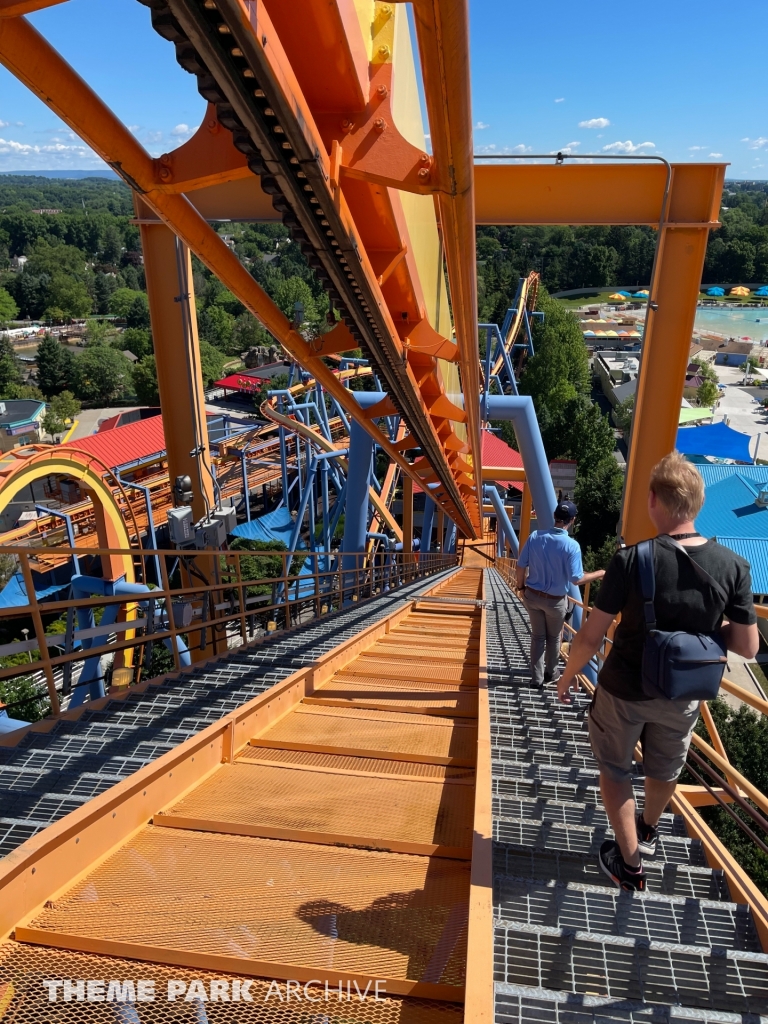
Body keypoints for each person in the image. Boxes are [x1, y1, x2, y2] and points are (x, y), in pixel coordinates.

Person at [558, 452, 758, 892]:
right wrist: (705, 631)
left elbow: (591, 636)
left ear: (653, 500)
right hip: (684, 692)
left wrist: (569, 675)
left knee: (614, 768)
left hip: (624, 687)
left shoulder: (632, 560)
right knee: (665, 767)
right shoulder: (733, 567)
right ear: (698, 504)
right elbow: (747, 645)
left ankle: (629, 863)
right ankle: (647, 829)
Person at [515, 500, 605, 687]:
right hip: (555, 602)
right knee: (554, 637)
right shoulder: (572, 546)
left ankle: (536, 679)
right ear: (572, 520)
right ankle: (551, 673)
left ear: (555, 516)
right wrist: (600, 573)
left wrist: (521, 587)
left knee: (538, 636)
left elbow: (520, 566)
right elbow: (576, 579)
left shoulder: (535, 537)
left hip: (532, 595)